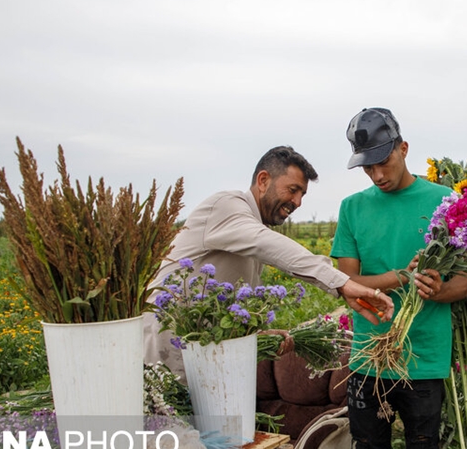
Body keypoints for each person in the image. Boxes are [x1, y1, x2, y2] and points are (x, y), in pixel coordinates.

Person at [331, 108, 467, 449]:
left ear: (403, 148)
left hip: (423, 354)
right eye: (366, 166)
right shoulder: (353, 209)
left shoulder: (444, 201)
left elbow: (466, 282)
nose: (376, 173)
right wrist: (400, 278)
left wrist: (437, 288)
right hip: (370, 354)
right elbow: (344, 282)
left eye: (382, 161)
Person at [143, 145, 393, 379]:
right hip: (168, 345)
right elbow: (268, 244)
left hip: (203, 348)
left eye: (302, 194)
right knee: (167, 422)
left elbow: (228, 299)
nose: (297, 202)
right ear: (263, 181)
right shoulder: (227, 206)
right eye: (293, 190)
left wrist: (255, 333)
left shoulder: (251, 226)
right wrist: (342, 283)